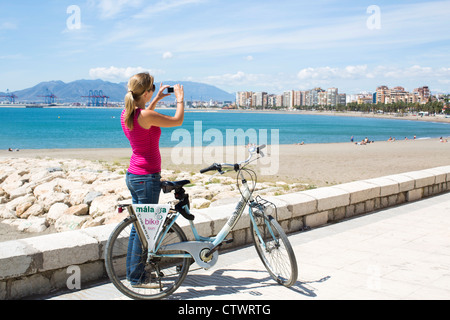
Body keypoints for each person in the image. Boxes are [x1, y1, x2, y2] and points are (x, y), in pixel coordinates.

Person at [120, 72, 184, 288]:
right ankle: (137, 279)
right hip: (146, 178)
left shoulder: (127, 113)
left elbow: (145, 117)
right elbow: (178, 120)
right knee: (144, 230)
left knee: (138, 229)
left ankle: (133, 274)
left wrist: (155, 99)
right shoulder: (145, 115)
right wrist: (180, 100)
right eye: (152, 88)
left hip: (135, 176)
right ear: (145, 92)